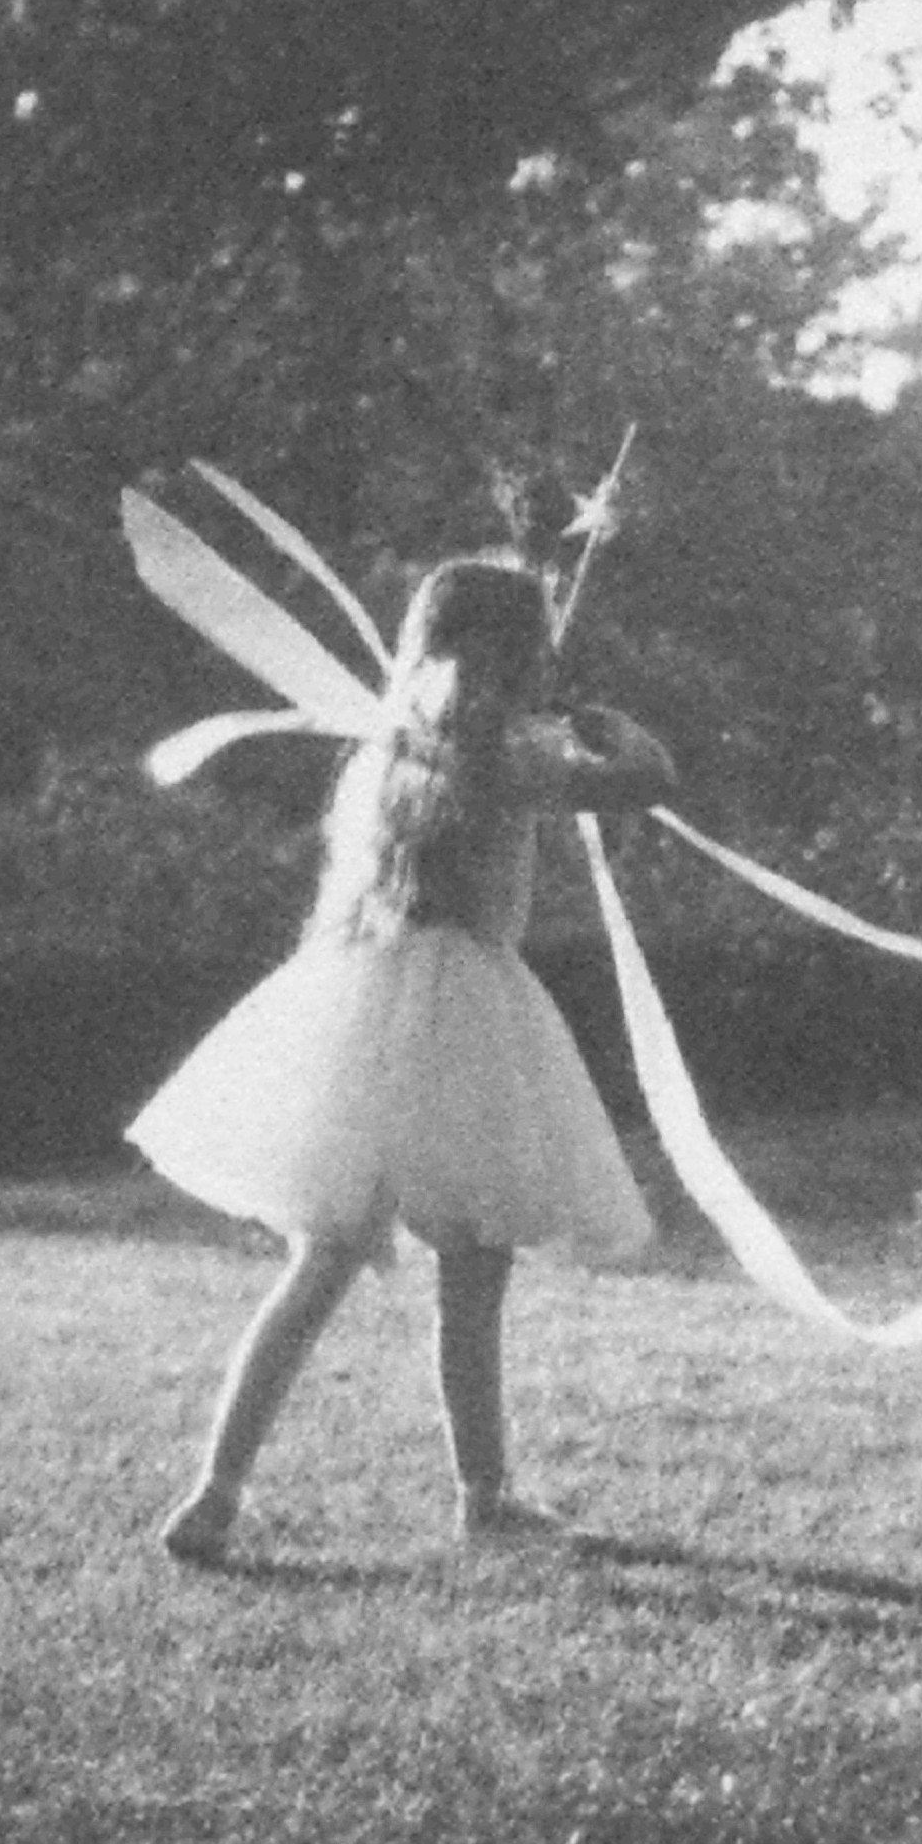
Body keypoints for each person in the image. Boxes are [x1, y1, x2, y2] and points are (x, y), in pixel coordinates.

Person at [130, 558, 675, 1564]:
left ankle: (216, 1490)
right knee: (474, 1266)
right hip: (465, 1008)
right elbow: (649, 784)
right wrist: (614, 733)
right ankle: (484, 1500)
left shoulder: (388, 753)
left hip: (361, 996)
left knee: (319, 1263)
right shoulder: (510, 755)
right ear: (519, 653)